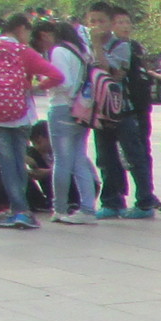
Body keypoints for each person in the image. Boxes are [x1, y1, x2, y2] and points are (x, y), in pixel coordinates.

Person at [0, 12, 61, 229]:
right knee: (19, 160)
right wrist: (35, 87)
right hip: (21, 114)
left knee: (7, 163)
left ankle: (18, 210)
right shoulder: (25, 52)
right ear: (21, 29)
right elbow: (56, 75)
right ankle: (22, 209)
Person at [87, 3, 159, 217]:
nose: (96, 25)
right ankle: (112, 202)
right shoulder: (84, 45)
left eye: (101, 21)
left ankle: (145, 202)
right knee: (106, 158)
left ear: (110, 23)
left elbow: (108, 70)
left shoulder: (121, 45)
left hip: (122, 109)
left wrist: (97, 46)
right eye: (92, 21)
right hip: (99, 110)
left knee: (134, 155)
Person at [31, 19, 99, 225]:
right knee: (79, 159)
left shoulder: (59, 51)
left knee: (61, 160)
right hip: (82, 110)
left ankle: (59, 208)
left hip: (62, 108)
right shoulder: (82, 51)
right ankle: (88, 208)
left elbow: (64, 81)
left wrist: (41, 86)